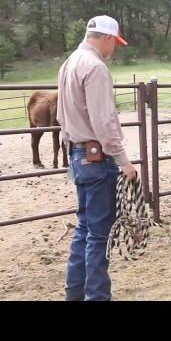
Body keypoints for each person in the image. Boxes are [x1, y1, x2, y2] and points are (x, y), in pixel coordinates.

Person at [56, 15, 138, 301]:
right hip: (98, 159)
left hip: (78, 155)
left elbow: (61, 116)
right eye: (114, 42)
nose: (114, 48)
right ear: (105, 38)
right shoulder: (96, 68)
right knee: (99, 234)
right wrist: (123, 160)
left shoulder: (69, 64)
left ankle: (74, 294)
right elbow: (104, 121)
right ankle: (97, 297)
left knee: (85, 229)